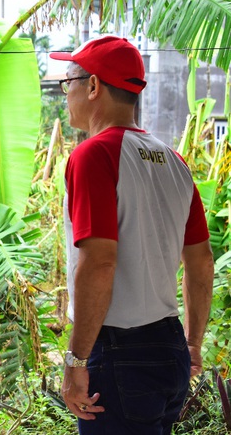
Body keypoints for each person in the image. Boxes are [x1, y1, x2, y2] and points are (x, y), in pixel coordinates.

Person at [50, 35, 215, 434]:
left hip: (119, 354)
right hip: (168, 347)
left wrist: (76, 362)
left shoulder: (93, 156)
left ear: (92, 87)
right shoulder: (174, 162)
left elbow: (99, 262)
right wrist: (192, 344)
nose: (65, 91)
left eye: (68, 81)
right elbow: (201, 262)